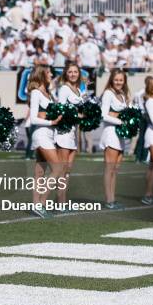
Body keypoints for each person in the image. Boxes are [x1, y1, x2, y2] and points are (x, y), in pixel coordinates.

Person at [28, 65, 63, 218]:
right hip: (41, 134)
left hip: (49, 134)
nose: (51, 75)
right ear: (41, 74)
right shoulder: (36, 93)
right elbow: (34, 118)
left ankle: (35, 205)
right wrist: (51, 122)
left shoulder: (48, 93)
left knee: (40, 172)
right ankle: (41, 204)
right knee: (57, 169)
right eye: (48, 72)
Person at [99, 69, 130, 210]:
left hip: (120, 135)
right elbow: (104, 115)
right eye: (116, 80)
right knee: (109, 168)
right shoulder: (108, 93)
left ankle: (112, 198)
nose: (118, 82)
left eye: (121, 80)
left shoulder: (123, 95)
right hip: (111, 133)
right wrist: (120, 121)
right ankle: (109, 200)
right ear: (112, 79)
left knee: (115, 169)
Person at [55, 61, 84, 208]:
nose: (73, 74)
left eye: (75, 72)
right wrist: (78, 115)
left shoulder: (78, 90)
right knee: (61, 169)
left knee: (67, 171)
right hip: (63, 132)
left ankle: (62, 201)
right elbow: (61, 109)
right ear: (66, 73)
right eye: (70, 72)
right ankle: (58, 201)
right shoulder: (64, 89)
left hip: (73, 133)